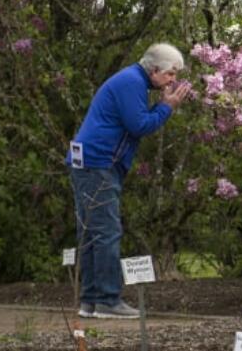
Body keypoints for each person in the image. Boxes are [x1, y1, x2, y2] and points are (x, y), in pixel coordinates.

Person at [66, 43, 190, 319]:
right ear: (154, 70)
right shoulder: (132, 82)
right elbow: (140, 125)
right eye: (171, 74)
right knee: (106, 233)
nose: (173, 80)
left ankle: (91, 301)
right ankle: (108, 301)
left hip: (88, 162)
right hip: (97, 164)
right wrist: (167, 107)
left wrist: (160, 105)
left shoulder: (133, 80)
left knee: (91, 234)